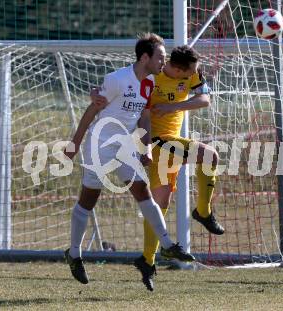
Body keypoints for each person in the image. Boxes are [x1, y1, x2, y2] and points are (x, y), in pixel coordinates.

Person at [64, 33, 195, 286]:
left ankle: (167, 244)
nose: (163, 62)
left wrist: (145, 147)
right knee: (88, 200)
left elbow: (144, 118)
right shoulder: (117, 79)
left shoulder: (148, 83)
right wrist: (74, 143)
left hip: (125, 145)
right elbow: (93, 109)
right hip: (100, 144)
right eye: (160, 57)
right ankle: (74, 253)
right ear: (145, 57)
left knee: (143, 192)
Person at [92, 45, 225, 291]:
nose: (194, 75)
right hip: (153, 141)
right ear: (176, 68)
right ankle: (203, 212)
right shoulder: (153, 78)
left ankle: (147, 259)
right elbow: (129, 100)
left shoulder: (192, 73)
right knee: (209, 156)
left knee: (159, 205)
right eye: (189, 73)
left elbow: (205, 100)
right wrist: (96, 94)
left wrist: (172, 107)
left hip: (171, 144)